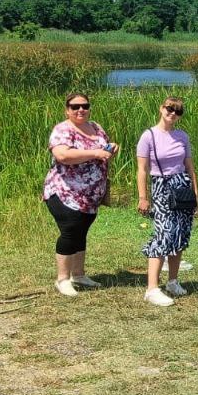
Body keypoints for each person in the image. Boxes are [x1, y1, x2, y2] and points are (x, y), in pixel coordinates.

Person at [43, 91, 119, 297]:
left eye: (84, 105)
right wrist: (95, 153)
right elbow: (62, 155)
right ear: (67, 110)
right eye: (75, 107)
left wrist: (111, 148)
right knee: (70, 230)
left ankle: (78, 274)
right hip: (65, 192)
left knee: (81, 231)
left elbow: (104, 148)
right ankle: (62, 279)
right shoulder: (63, 129)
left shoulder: (95, 127)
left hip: (90, 196)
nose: (80, 110)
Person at [136, 98, 198, 307]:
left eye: (178, 111)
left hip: (182, 185)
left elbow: (189, 165)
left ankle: (172, 281)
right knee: (164, 234)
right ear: (162, 109)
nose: (173, 113)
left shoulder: (183, 136)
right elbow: (142, 170)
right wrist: (143, 197)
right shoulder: (149, 136)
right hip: (162, 187)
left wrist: (195, 192)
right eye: (170, 108)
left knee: (180, 233)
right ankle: (152, 289)